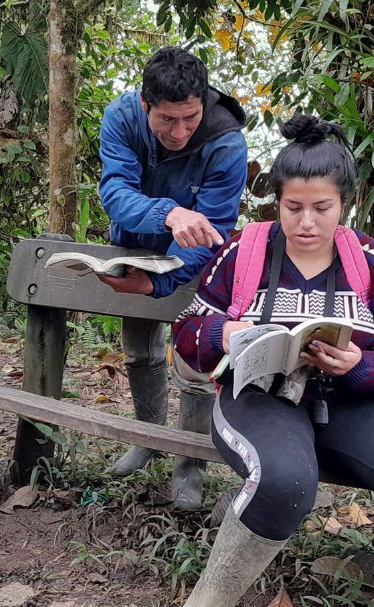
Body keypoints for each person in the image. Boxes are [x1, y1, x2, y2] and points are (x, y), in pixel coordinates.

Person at [172, 115, 374, 607]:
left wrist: (357, 364)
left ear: (345, 203)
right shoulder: (244, 252)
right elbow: (187, 335)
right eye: (292, 207)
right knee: (284, 481)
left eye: (322, 207)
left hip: (349, 406)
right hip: (258, 400)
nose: (306, 222)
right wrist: (225, 333)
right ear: (275, 201)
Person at [98, 46, 248, 509]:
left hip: (195, 264)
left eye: (190, 118)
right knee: (139, 349)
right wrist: (168, 214)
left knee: (197, 359)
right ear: (145, 104)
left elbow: (215, 230)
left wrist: (162, 282)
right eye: (166, 120)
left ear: (203, 103)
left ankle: (190, 462)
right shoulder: (121, 118)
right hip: (137, 246)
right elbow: (115, 193)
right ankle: (148, 438)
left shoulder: (226, 143)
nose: (179, 132)